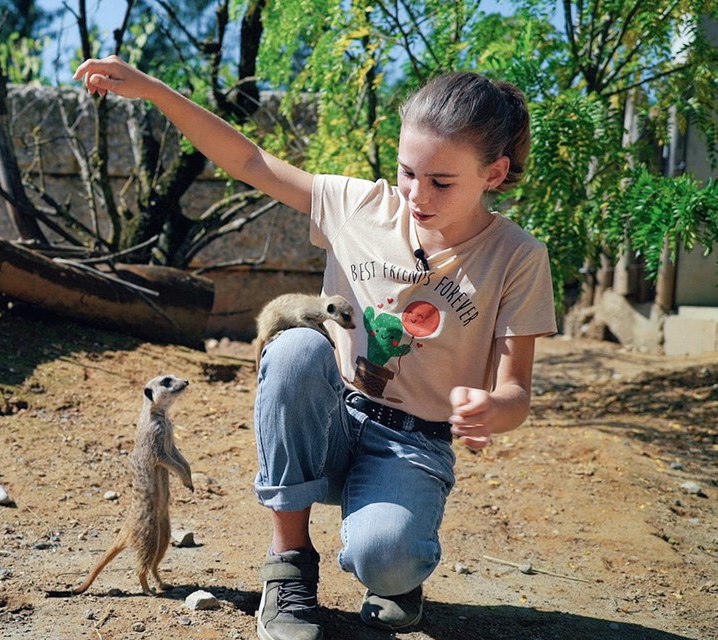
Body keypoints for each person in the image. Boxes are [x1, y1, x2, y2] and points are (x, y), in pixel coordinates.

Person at [74, 56, 557, 639]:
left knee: (386, 555)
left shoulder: (518, 256)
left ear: (495, 173)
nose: (416, 194)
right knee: (295, 350)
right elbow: (249, 159)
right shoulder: (360, 206)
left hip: (411, 444)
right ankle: (289, 564)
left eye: (441, 182)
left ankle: (396, 570)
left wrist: (492, 411)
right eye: (407, 172)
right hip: (327, 421)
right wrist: (155, 91)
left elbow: (516, 392)